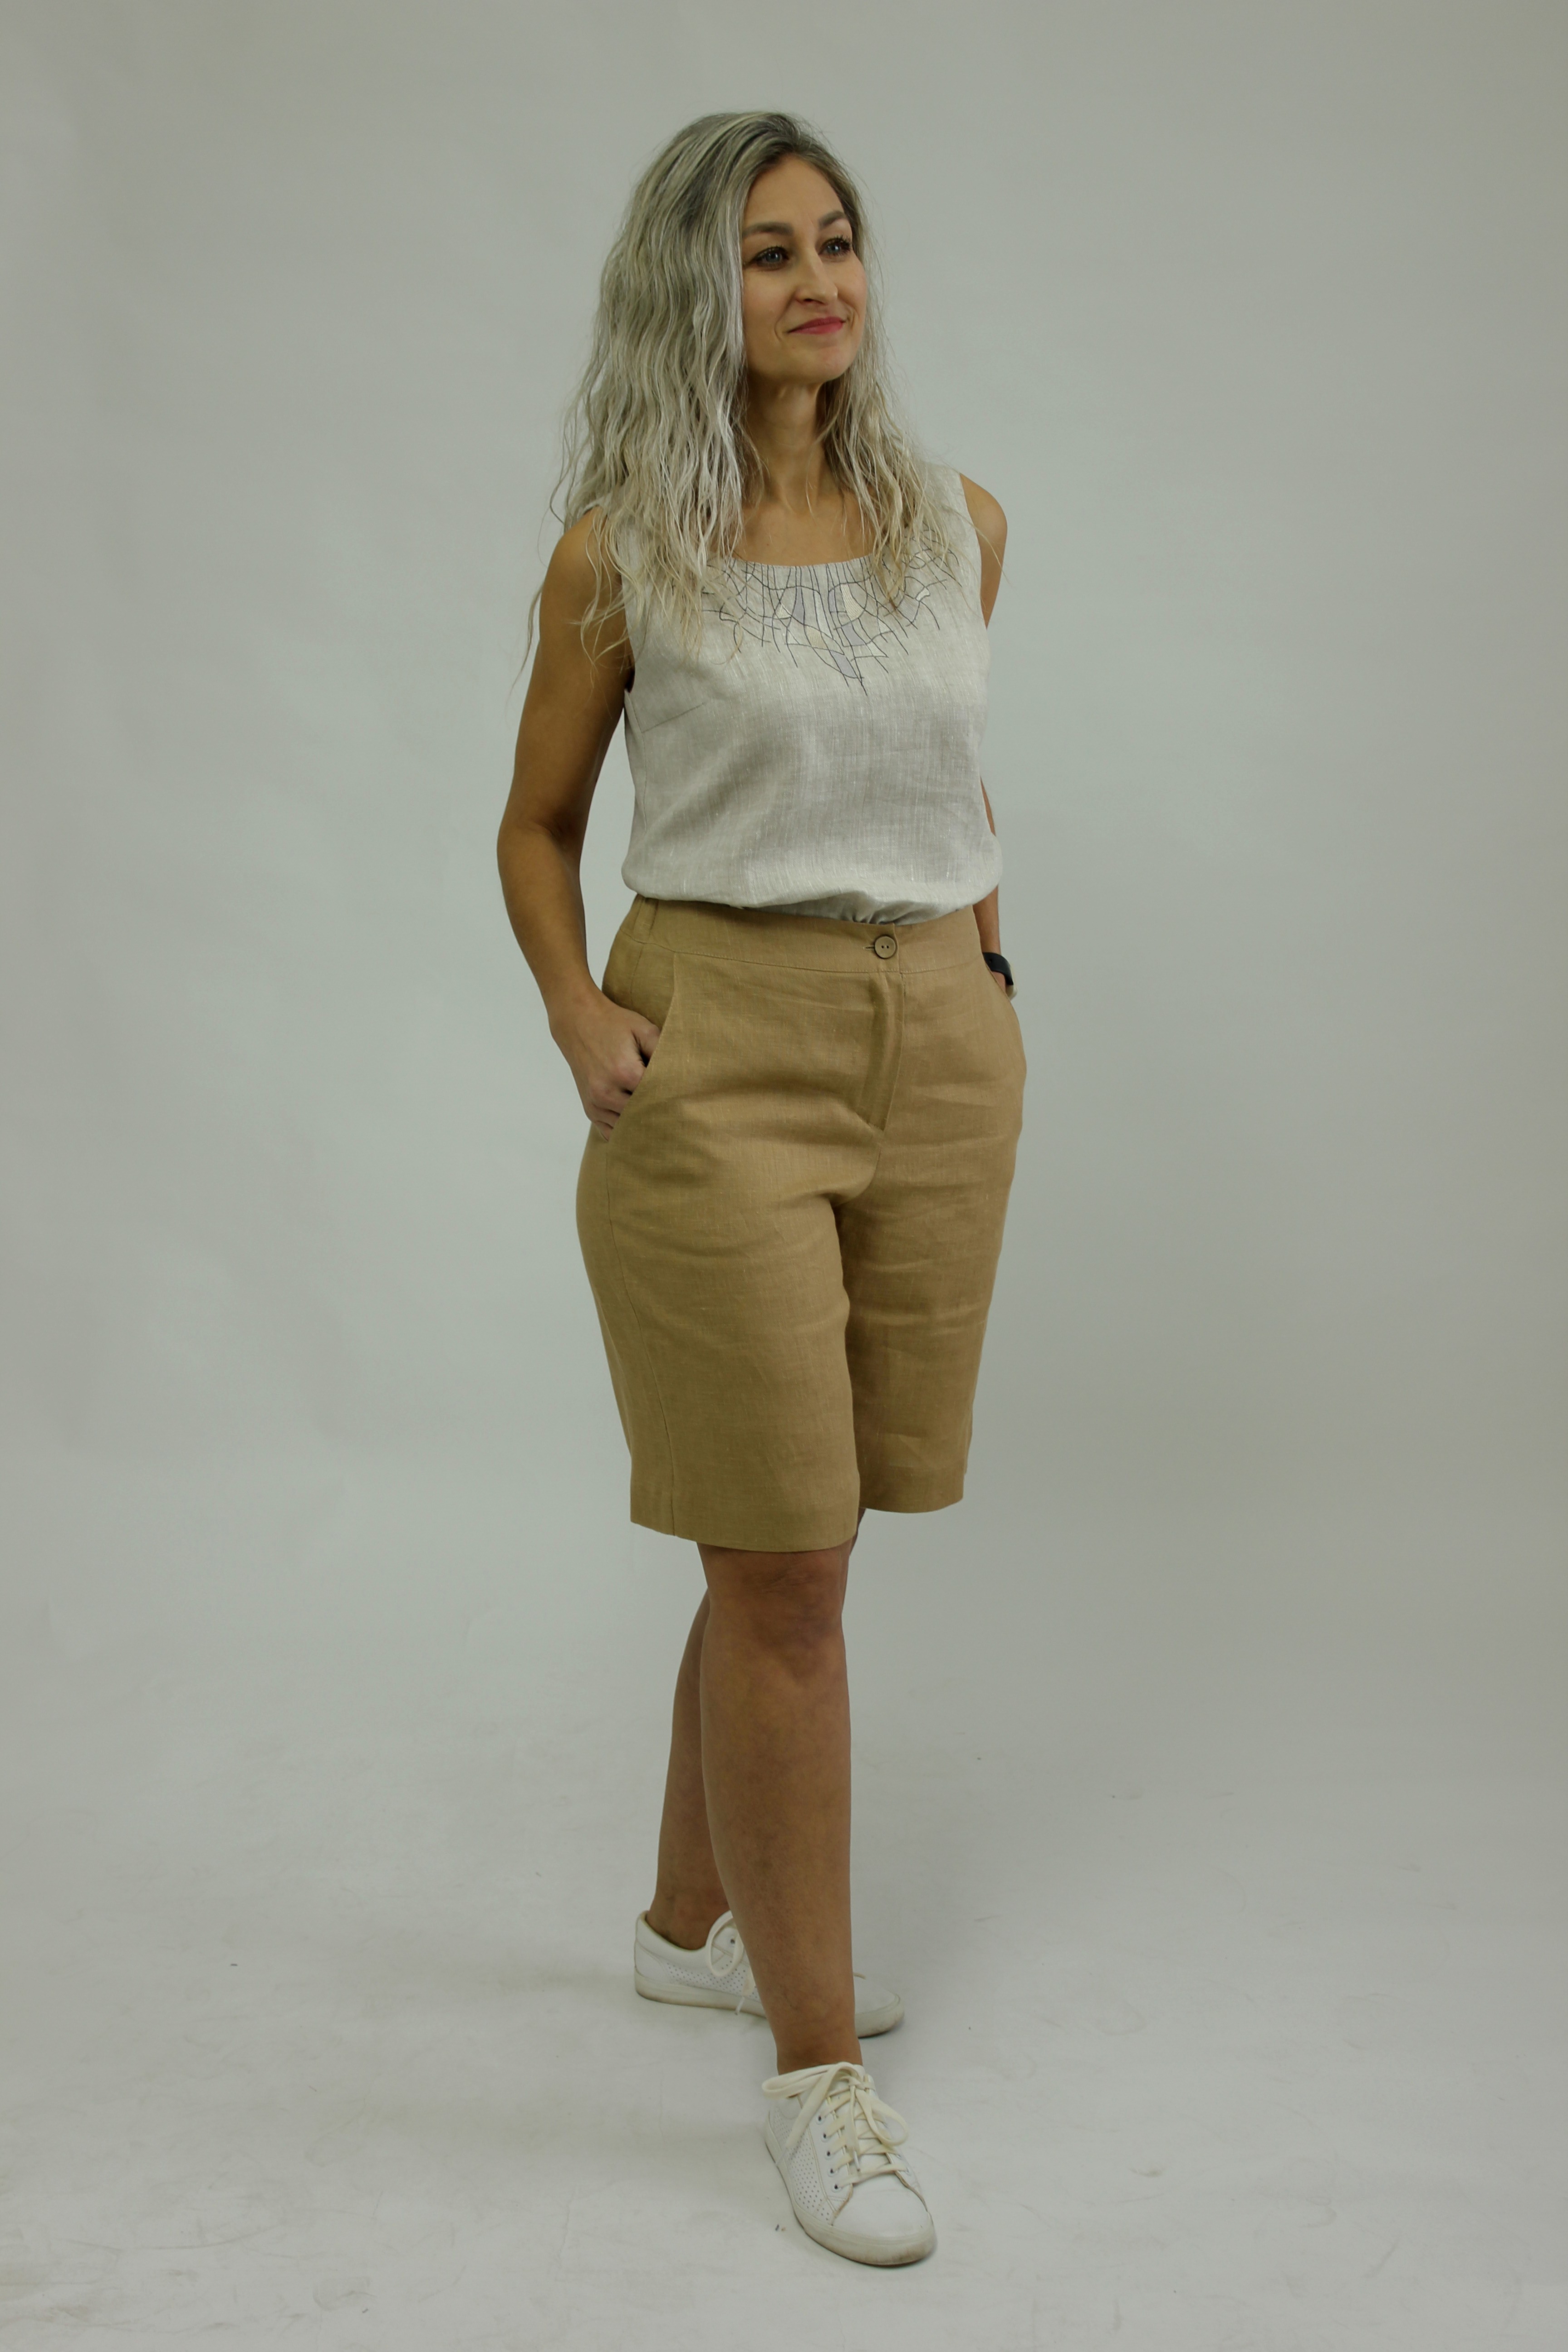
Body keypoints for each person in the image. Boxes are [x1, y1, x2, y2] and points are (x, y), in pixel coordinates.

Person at [496, 111, 1024, 2268]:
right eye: (767, 252)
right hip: (717, 1049)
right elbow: (534, 823)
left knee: (801, 1543)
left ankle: (687, 1925)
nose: (817, 283)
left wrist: (991, 970)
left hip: (942, 1052)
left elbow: (952, 781)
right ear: (689, 290)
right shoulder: (624, 552)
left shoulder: (958, 525)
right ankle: (818, 2082)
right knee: (787, 1564)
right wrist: (576, 1013)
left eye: (839, 242)